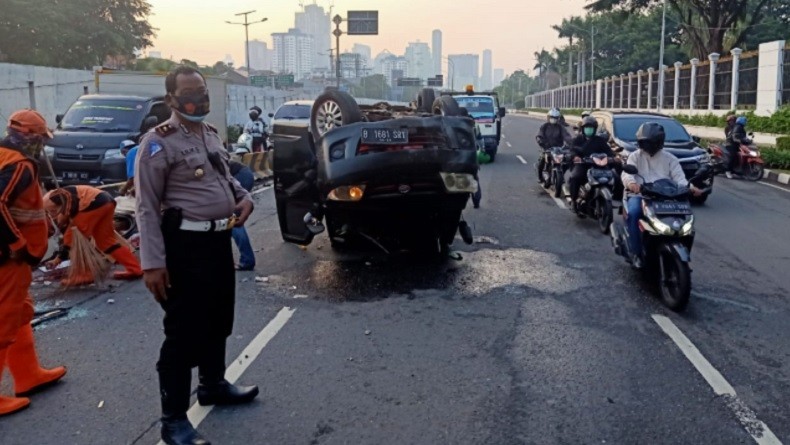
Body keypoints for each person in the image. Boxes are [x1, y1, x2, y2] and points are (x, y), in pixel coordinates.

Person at [135, 65, 257, 445]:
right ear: (171, 98)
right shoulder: (158, 143)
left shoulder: (209, 134)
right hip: (183, 250)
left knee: (219, 319)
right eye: (189, 93)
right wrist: (153, 263)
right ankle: (173, 421)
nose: (198, 99)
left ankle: (213, 384)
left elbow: (226, 177)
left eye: (202, 92)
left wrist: (244, 196)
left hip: (217, 242)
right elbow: (145, 206)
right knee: (183, 333)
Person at [0, 109, 66, 417]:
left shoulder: (5, 157)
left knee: (20, 314)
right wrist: (16, 244)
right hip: (8, 258)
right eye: (40, 138)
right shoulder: (19, 165)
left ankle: (28, 375)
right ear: (31, 137)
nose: (42, 145)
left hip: (15, 260)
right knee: (4, 321)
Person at [621, 122, 702, 268]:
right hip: (641, 195)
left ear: (659, 142)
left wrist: (691, 188)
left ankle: (674, 246)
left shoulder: (670, 158)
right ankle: (636, 253)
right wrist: (632, 184)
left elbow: (680, 179)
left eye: (650, 142)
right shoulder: (634, 156)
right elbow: (627, 174)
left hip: (664, 196)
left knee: (683, 218)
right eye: (644, 142)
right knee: (634, 213)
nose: (647, 145)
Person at [43, 185, 143, 286]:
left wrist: (58, 258)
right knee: (106, 241)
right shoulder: (54, 200)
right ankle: (135, 268)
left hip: (92, 204)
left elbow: (67, 199)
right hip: (106, 201)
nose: (53, 215)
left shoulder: (48, 200)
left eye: (53, 213)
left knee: (77, 238)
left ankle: (86, 274)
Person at [568, 116, 616, 213]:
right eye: (587, 128)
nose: (589, 130)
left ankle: (613, 196)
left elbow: (609, 152)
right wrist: (575, 157)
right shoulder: (578, 139)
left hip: (598, 166)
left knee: (615, 176)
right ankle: (573, 200)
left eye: (591, 128)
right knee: (575, 177)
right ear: (583, 129)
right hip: (583, 165)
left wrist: (614, 158)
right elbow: (572, 150)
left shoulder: (600, 140)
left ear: (595, 129)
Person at [229, 160, 256, 270]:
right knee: (232, 219)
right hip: (245, 174)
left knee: (233, 220)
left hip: (240, 176)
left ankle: (247, 260)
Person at [536, 108, 572, 183]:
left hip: (558, 149)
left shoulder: (560, 127)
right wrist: (540, 141)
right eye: (552, 117)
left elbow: (566, 136)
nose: (553, 119)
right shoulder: (544, 126)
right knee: (542, 161)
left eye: (555, 118)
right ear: (548, 117)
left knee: (567, 161)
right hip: (546, 148)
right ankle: (540, 177)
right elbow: (539, 135)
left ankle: (561, 175)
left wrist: (571, 143)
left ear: (558, 118)